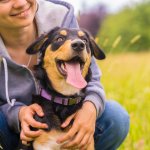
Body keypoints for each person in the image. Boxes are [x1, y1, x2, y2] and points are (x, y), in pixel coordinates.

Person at [0, 0, 129, 150]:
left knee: (116, 117)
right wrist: (17, 113)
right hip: (16, 127)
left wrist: (90, 108)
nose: (21, 3)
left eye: (83, 42)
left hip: (74, 109)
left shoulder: (61, 14)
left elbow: (92, 78)